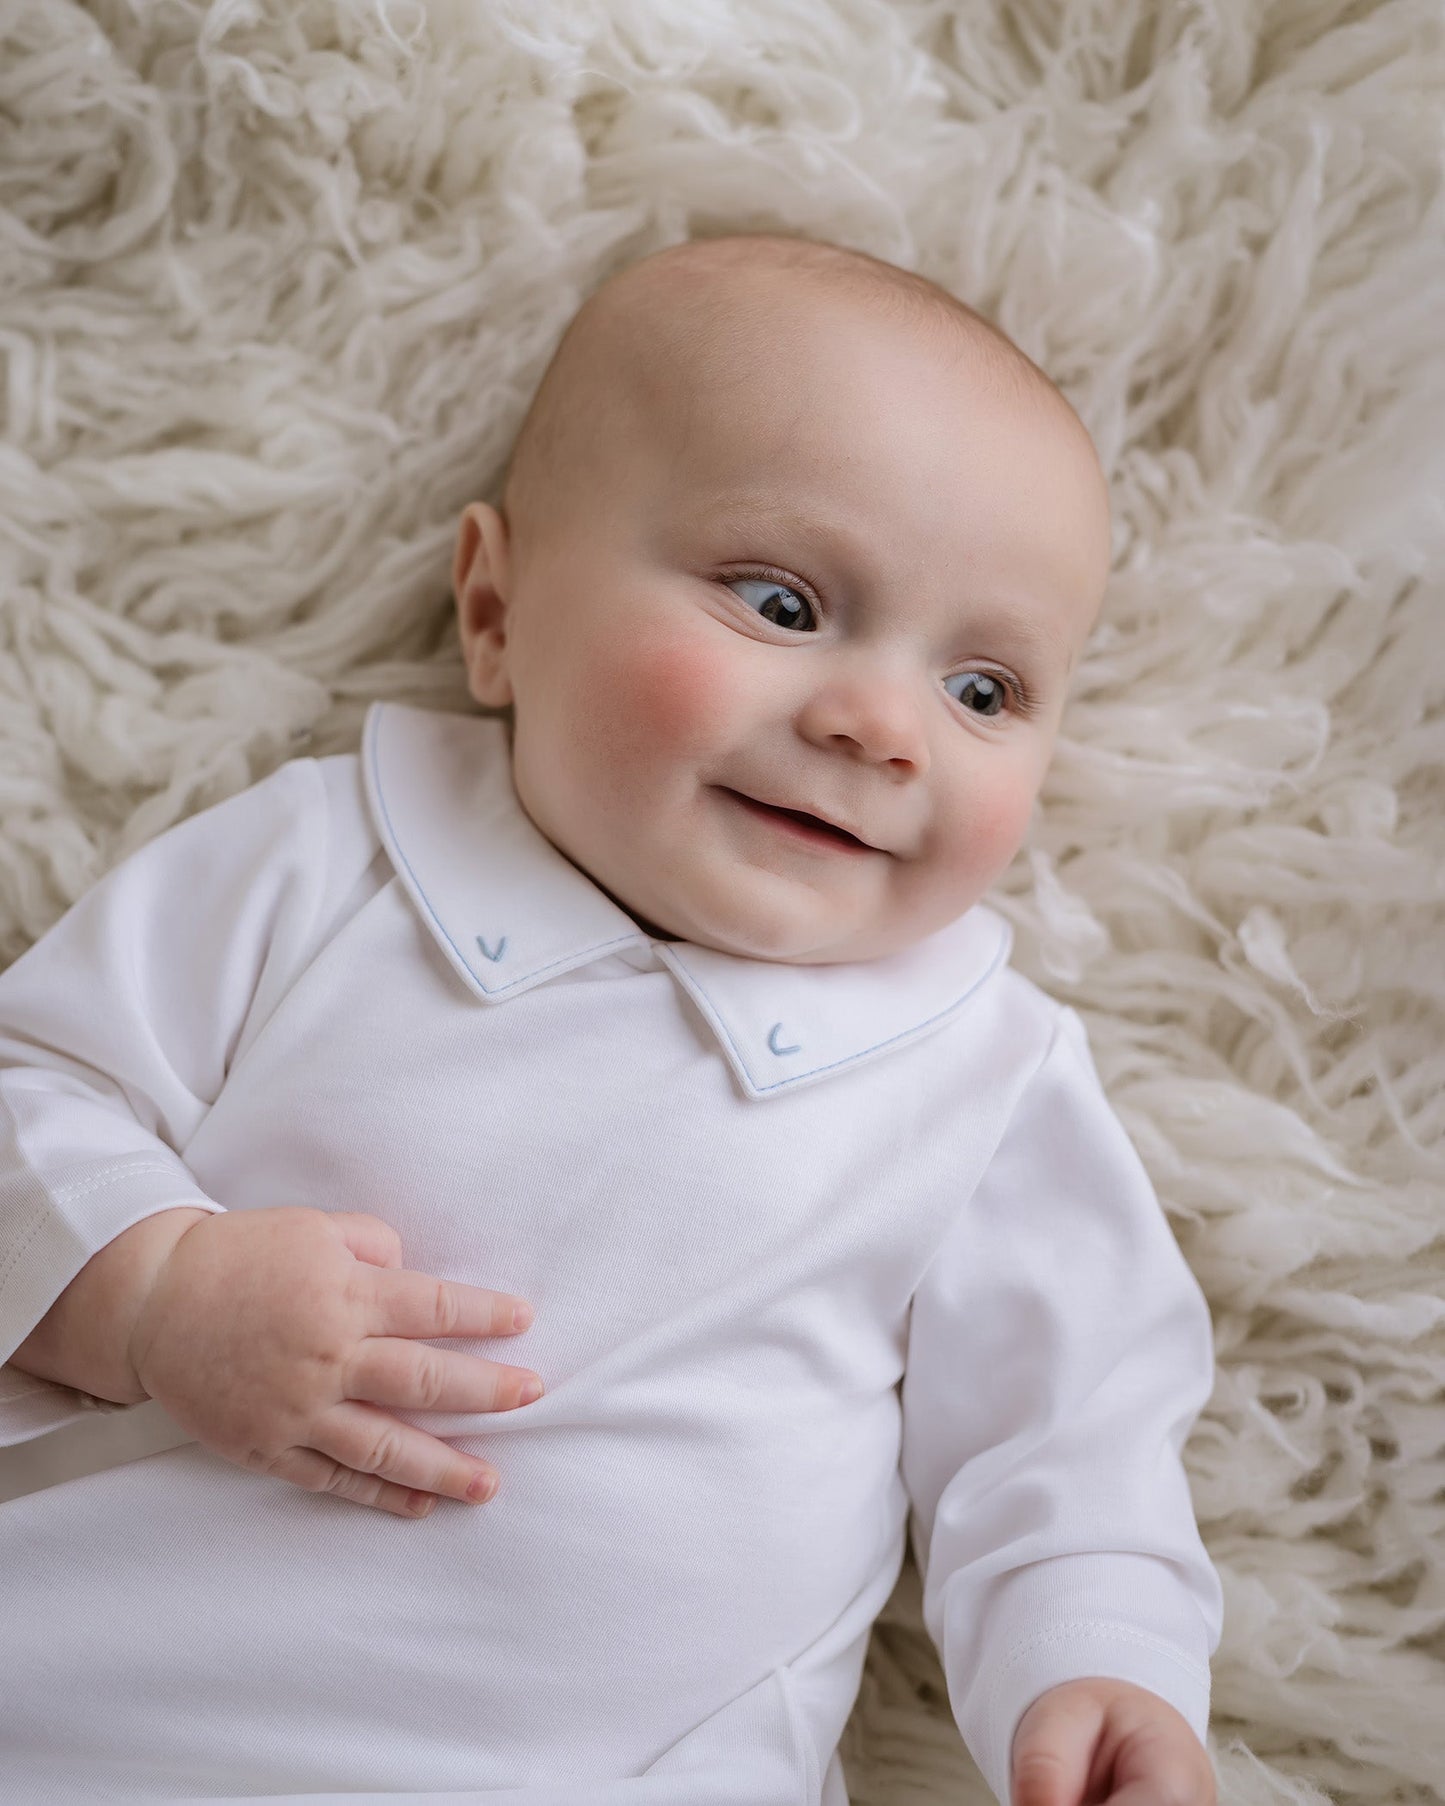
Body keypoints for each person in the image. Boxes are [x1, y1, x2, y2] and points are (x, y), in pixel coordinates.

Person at [0, 233, 1221, 1806]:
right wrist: (154, 1287)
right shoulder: (329, 860)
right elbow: (30, 1090)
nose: (880, 723)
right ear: (496, 609)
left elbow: (1067, 1440)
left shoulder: (979, 1065)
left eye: (984, 690)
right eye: (782, 601)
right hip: (98, 1712)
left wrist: (1101, 1664)